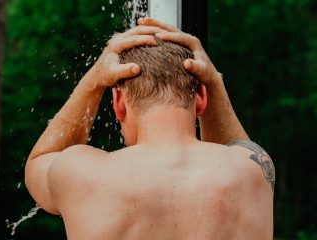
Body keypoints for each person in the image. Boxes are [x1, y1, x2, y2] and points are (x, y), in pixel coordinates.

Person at [25, 17, 275, 239]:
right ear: (201, 98)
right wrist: (213, 81)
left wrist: (93, 81)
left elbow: (40, 160)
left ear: (119, 103)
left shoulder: (83, 175)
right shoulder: (252, 171)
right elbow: (233, 149)